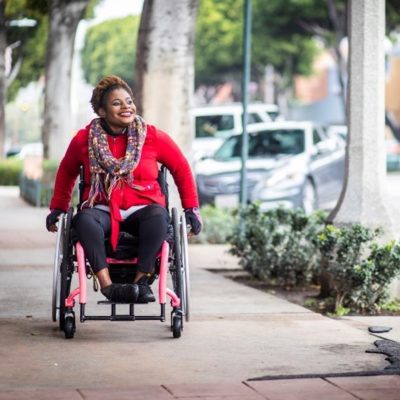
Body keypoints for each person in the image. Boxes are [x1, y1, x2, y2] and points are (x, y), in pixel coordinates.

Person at [46, 75, 202, 304]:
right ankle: (109, 287)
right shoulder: (84, 140)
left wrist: (192, 209)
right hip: (103, 208)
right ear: (101, 111)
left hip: (145, 209)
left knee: (160, 218)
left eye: (129, 101)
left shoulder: (152, 136)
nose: (126, 107)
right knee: (84, 221)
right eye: (117, 103)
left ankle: (141, 282)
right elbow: (66, 172)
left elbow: (181, 168)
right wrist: (57, 208)